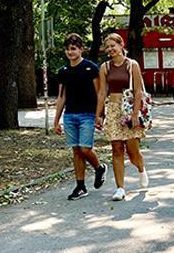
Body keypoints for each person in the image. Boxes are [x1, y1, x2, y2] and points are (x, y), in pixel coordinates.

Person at [54, 33, 108, 201]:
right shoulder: (63, 71)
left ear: (81, 49)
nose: (70, 52)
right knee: (76, 151)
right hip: (70, 115)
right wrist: (56, 121)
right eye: (68, 49)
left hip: (87, 115)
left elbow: (100, 93)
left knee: (85, 148)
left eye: (73, 48)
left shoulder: (91, 68)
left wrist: (100, 114)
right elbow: (61, 97)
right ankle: (80, 186)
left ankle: (99, 168)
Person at [96, 33, 148, 202]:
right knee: (116, 149)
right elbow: (102, 92)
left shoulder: (132, 65)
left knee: (133, 152)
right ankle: (120, 188)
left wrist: (135, 114)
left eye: (113, 46)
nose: (110, 49)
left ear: (121, 45)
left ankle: (140, 168)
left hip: (128, 109)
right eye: (107, 47)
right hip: (112, 109)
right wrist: (98, 114)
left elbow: (138, 91)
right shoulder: (105, 67)